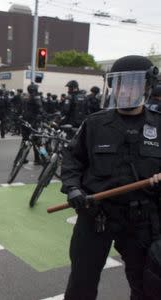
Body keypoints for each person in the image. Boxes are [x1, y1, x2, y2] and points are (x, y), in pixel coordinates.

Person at [60, 55, 161, 300]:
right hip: (97, 216)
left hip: (143, 221)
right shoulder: (95, 124)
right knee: (81, 287)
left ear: (147, 86)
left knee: (147, 287)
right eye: (119, 83)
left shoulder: (159, 125)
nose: (125, 89)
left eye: (132, 83)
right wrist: (73, 189)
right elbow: (72, 160)